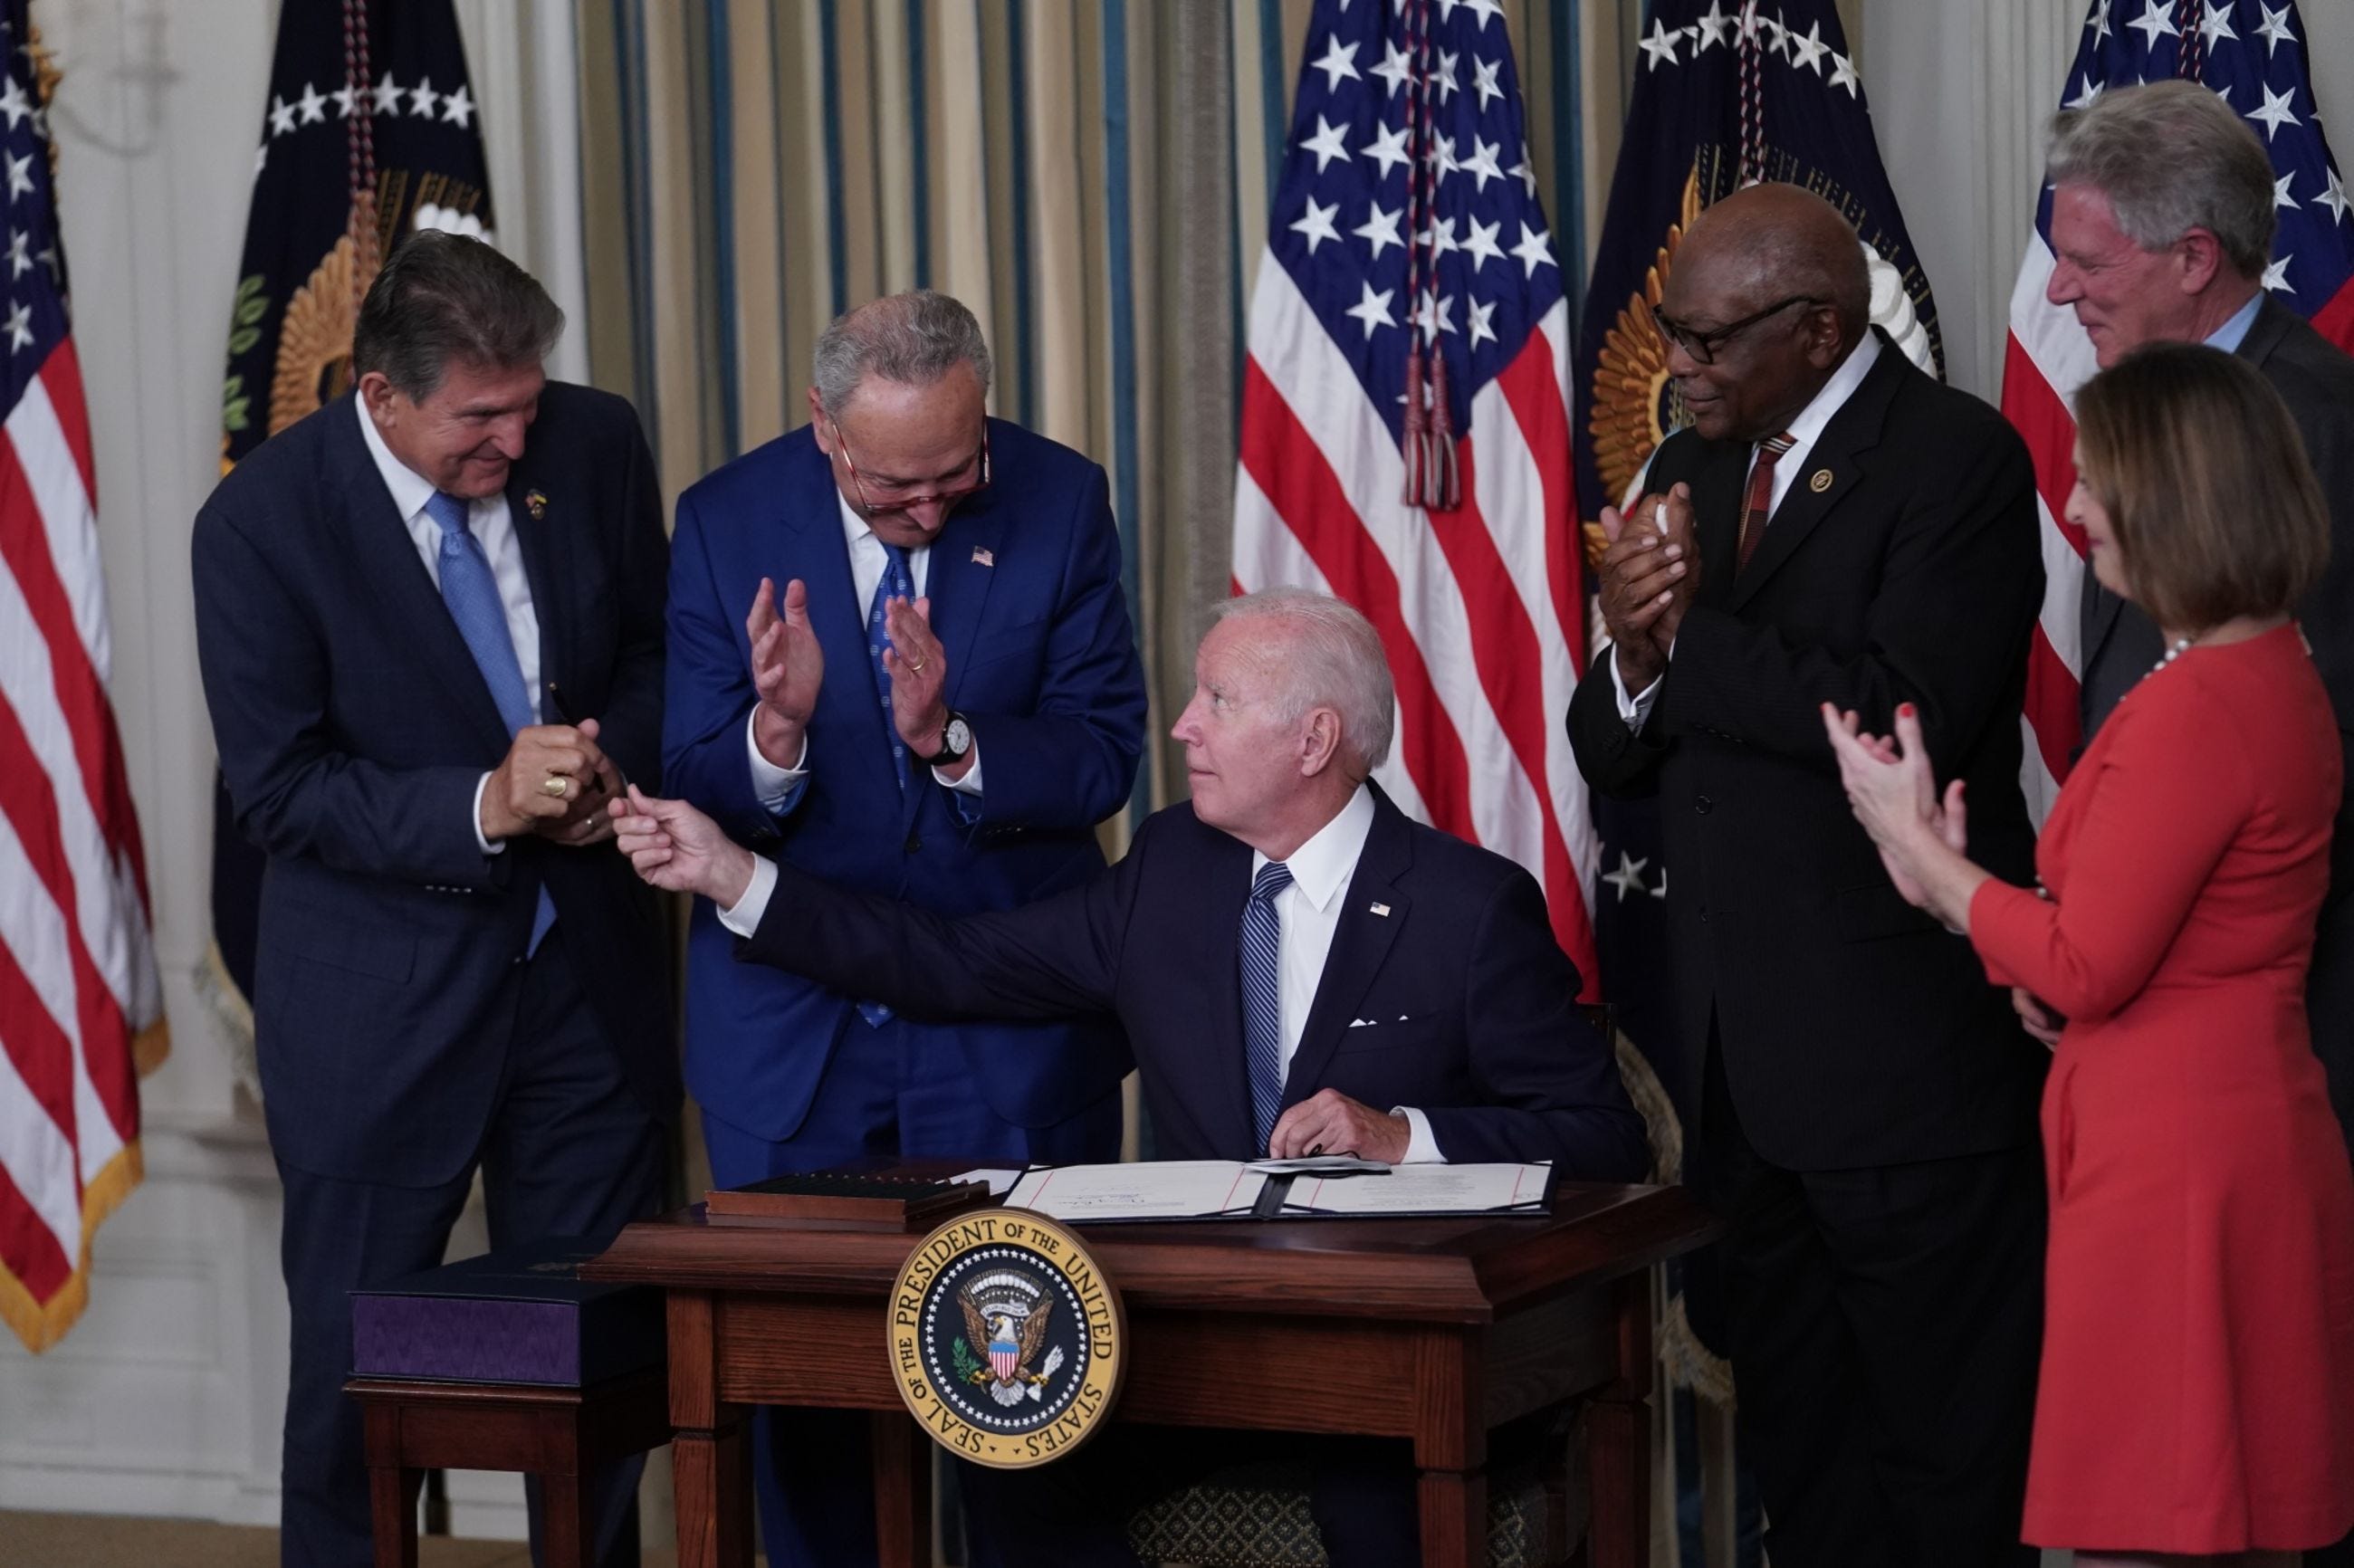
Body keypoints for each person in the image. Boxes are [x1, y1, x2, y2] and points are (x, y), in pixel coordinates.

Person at [617, 588, 1649, 1567]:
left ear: (1314, 740)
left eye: (1218, 700)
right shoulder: (1171, 868)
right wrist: (733, 876)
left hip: (1405, 1360)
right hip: (1211, 1351)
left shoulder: (1468, 907)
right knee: (1013, 1447)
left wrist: (1402, 1136)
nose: (1183, 726)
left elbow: (1605, 1136)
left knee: (1375, 1505)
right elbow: (954, 961)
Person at [1564, 183, 2049, 1565]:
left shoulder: (1955, 458)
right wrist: (1634, 660)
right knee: (1805, 1453)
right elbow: (1612, 748)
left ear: (1820, 329)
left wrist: (1686, 644)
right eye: (1674, 332)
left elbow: (1905, 712)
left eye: (1709, 340)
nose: (1679, 366)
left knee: (1948, 1465)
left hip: (1905, 1070)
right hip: (1743, 1076)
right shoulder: (1693, 463)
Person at [1825, 341, 2354, 1566]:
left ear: (2175, 495)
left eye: (2095, 481)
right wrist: (1965, 903)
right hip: (2222, 1133)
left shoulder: (2199, 703)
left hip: (2178, 1167)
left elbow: (2084, 964)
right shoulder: (2270, 667)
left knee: (2151, 1532)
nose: (2072, 508)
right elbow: (2149, 941)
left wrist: (1924, 854)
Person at [191, 233, 674, 1568]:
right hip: (378, 1018)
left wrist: (606, 762)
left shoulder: (594, 441)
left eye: (527, 404)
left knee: (602, 1367)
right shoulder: (261, 524)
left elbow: (654, 652)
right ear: (381, 394)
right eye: (480, 417)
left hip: (586, 989)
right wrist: (484, 804)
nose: (516, 440)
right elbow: (281, 790)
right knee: (349, 1401)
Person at [659, 288, 1145, 1566]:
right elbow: (692, 777)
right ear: (824, 427)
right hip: (797, 1043)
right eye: (892, 486)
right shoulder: (724, 519)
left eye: (954, 472)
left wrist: (953, 739)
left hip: (1007, 1030)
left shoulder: (1058, 497)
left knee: (1031, 1404)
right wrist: (774, 734)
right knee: (810, 1422)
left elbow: (1102, 755)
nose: (929, 508)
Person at [2046, 81, 2354, 1165]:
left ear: (2190, 258)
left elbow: (2312, 758)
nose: (2055, 288)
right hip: (2136, 988)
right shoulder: (2152, 408)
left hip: (2265, 1031)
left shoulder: (2308, 425)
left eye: (2085, 262)